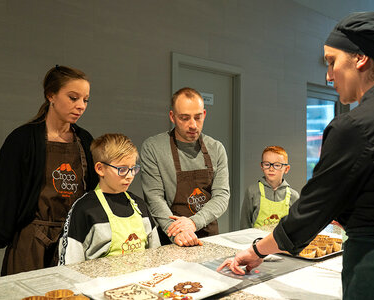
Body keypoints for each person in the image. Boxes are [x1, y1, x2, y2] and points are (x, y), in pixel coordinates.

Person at [217, 12, 374, 299]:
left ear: (360, 58)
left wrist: (256, 251)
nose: (328, 75)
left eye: (332, 62)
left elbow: (310, 212)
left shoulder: (355, 125)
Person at [0, 65, 98, 279]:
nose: (81, 106)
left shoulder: (86, 141)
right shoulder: (22, 141)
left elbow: (95, 199)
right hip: (29, 248)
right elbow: (1, 203)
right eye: (73, 98)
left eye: (85, 100)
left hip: (72, 245)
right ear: (51, 95)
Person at [141, 87, 230, 247]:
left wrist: (194, 223)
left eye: (198, 117)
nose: (193, 125)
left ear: (204, 114)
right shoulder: (153, 147)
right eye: (184, 118)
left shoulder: (216, 148)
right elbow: (154, 197)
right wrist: (177, 232)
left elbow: (222, 196)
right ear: (172, 117)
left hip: (208, 237)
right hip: (171, 238)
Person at [58, 133, 160, 264]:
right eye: (122, 169)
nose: (130, 176)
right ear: (100, 169)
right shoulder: (84, 209)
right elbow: (69, 264)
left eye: (133, 169)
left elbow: (156, 256)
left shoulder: (140, 206)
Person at [240, 146, 299, 229]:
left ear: (286, 169)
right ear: (262, 166)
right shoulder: (252, 191)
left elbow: (296, 226)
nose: (271, 169)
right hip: (257, 241)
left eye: (277, 165)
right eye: (267, 164)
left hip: (282, 241)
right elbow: (244, 224)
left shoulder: (294, 196)